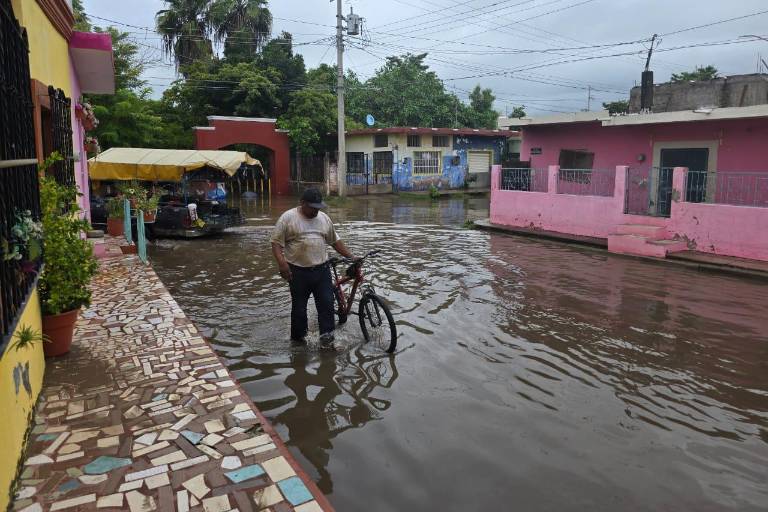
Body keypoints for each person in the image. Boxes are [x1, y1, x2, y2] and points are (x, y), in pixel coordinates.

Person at [270, 188, 355, 347]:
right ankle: (298, 344)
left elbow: (335, 241)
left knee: (327, 305)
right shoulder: (288, 218)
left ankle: (327, 341)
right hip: (297, 272)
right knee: (299, 309)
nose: (316, 211)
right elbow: (276, 243)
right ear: (302, 203)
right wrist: (282, 264)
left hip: (322, 271)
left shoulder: (324, 218)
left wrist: (351, 257)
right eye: (313, 207)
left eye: (318, 207)